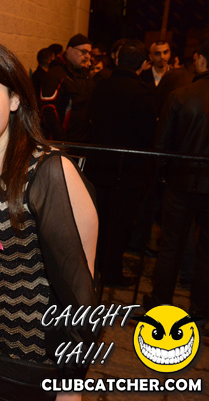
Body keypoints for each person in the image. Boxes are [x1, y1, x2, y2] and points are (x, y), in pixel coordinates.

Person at [0, 38, 98, 401]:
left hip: (30, 364)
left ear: (14, 99)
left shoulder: (49, 172)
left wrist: (72, 387)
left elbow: (81, 297)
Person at [144, 36, 209, 325]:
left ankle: (161, 300)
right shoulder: (181, 95)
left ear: (201, 60)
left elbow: (161, 145)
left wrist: (161, 177)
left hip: (181, 183)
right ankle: (201, 308)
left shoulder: (181, 95)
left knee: (171, 244)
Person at [87, 39, 156, 288]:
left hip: (99, 167)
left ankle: (93, 268)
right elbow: (147, 134)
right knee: (120, 224)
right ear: (143, 64)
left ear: (117, 59)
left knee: (99, 220)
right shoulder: (143, 93)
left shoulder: (100, 86)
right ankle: (111, 272)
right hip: (128, 172)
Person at [40, 34, 94, 142]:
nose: (87, 56)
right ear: (69, 50)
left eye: (89, 53)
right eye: (83, 51)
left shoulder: (85, 75)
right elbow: (48, 109)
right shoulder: (56, 74)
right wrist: (61, 140)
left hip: (83, 139)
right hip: (64, 142)